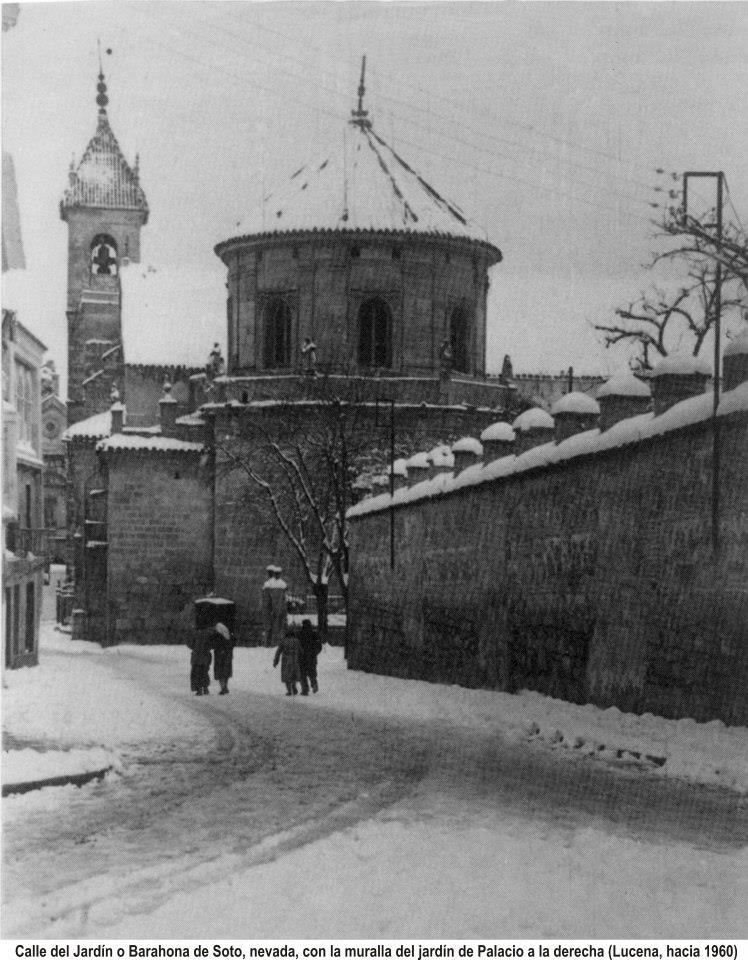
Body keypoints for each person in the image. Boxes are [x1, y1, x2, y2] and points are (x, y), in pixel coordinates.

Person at [262, 564, 288, 647]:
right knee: (277, 627)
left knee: (271, 627)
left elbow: (267, 600)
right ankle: (273, 643)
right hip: (278, 610)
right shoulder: (280, 584)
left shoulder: (270, 585)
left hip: (274, 610)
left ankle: (270, 643)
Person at [273, 629, 301, 696]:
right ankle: (294, 687)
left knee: (286, 675)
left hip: (286, 660)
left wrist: (275, 661)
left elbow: (278, 652)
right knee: (294, 675)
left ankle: (289, 690)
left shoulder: (284, 641)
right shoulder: (297, 641)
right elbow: (301, 651)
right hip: (295, 660)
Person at [298, 618, 322, 695]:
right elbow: (319, 646)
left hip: (302, 657)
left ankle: (305, 690)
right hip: (312, 657)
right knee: (312, 673)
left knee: (303, 674)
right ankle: (314, 684)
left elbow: (298, 646)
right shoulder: (314, 634)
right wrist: (315, 653)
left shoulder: (300, 634)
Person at [212, 622, 235, 695]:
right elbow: (231, 646)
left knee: (220, 673)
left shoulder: (218, 637)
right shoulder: (229, 637)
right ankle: (225, 686)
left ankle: (223, 688)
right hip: (228, 657)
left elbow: (215, 645)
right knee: (226, 673)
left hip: (220, 657)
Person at [190, 628, 212, 696]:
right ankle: (205, 688)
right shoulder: (208, 633)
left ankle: (199, 689)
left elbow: (190, 643)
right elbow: (211, 645)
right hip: (205, 656)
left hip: (197, 656)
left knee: (197, 673)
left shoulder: (195, 633)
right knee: (204, 672)